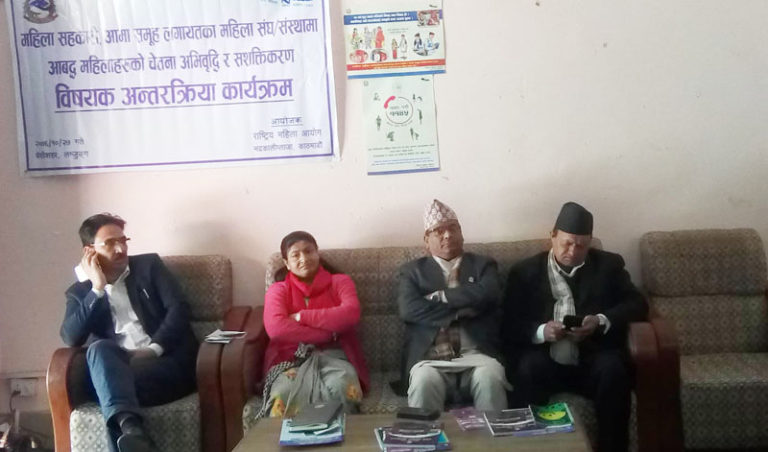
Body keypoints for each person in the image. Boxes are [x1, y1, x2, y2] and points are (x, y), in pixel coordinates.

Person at [503, 202, 648, 452]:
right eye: (567, 243)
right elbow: (509, 322)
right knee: (527, 367)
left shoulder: (609, 266)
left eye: (581, 245)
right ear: (553, 236)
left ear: (590, 243)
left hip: (591, 360)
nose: (573, 250)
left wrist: (600, 320)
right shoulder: (524, 272)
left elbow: (637, 304)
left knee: (613, 369)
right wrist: (542, 331)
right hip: (544, 361)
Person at [61, 213, 198, 452]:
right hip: (118, 372)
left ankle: (130, 429)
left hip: (163, 367)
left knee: (111, 392)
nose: (120, 248)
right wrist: (97, 289)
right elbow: (70, 337)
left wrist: (153, 349)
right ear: (89, 251)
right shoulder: (80, 292)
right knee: (100, 350)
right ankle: (131, 429)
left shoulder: (148, 267)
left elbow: (179, 309)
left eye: (123, 240)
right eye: (110, 243)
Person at [395, 199, 510, 412]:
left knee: (491, 378)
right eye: (439, 231)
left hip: (478, 356)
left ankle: (493, 435)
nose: (447, 235)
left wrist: (441, 297)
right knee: (423, 382)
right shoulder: (412, 271)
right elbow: (409, 310)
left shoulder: (483, 265)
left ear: (461, 233)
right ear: (426, 240)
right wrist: (463, 309)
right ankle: (426, 435)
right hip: (430, 360)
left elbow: (490, 294)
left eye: (453, 228)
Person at [260, 231, 369, 418]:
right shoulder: (278, 290)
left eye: (309, 251)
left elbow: (350, 314)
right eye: (296, 255)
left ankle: (344, 437)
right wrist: (328, 333)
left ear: (317, 253)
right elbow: (277, 329)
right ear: (287, 263)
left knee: (341, 387)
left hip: (336, 356)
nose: (304, 258)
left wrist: (301, 317)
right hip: (290, 359)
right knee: (283, 394)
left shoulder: (340, 282)